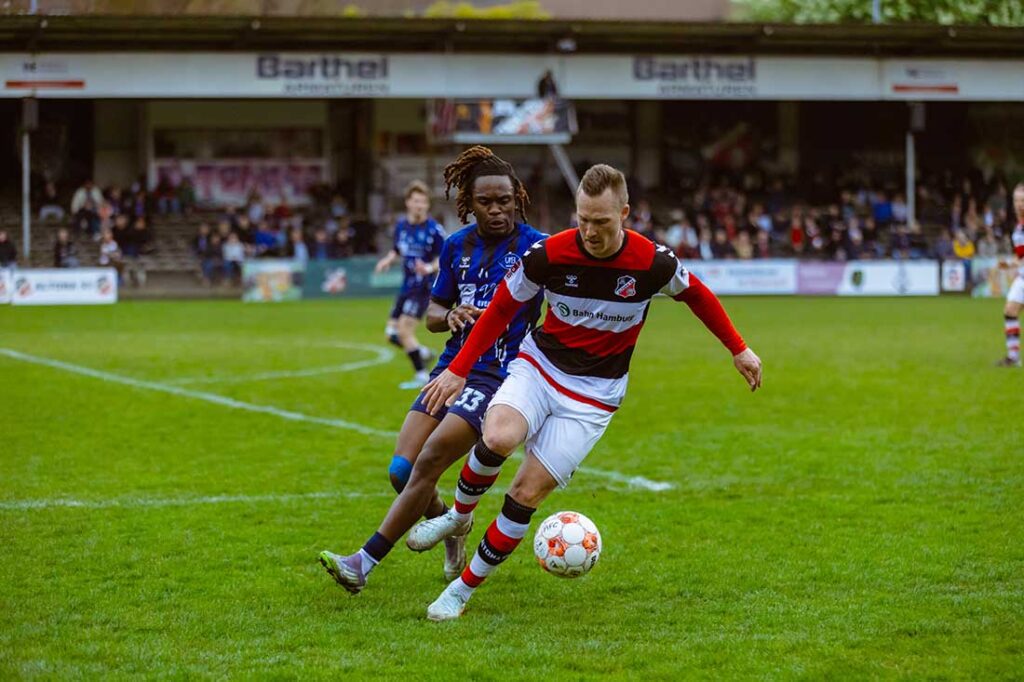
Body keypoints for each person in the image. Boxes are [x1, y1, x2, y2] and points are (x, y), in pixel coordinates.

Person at [412, 163, 762, 621]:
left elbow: (697, 295)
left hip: (594, 396)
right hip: (539, 367)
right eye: (582, 220)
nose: (590, 232)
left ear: (626, 214)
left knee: (526, 492)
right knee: (497, 436)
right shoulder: (548, 254)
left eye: (602, 222)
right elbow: (502, 306)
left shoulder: (653, 263)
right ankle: (459, 514)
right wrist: (459, 369)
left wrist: (739, 349)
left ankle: (462, 589)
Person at [318, 146, 546, 594]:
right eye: (487, 201)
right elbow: (433, 314)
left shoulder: (536, 247)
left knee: (429, 460)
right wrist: (453, 315)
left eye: (505, 200)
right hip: (450, 369)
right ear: (468, 203)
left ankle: (361, 563)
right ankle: (454, 527)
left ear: (517, 197)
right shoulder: (456, 246)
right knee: (402, 471)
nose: (498, 209)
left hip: (498, 376)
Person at [375, 181, 447, 389]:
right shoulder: (401, 226)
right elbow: (397, 249)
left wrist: (429, 268)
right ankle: (423, 353)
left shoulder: (434, 230)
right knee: (392, 335)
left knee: (405, 331)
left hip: (423, 287)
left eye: (423, 202)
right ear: (408, 203)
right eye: (416, 201)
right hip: (406, 286)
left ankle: (422, 375)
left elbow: (443, 258)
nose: (420, 205)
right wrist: (388, 260)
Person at [996, 183, 1024, 367]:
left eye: (1023, 200)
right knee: (1010, 310)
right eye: (1017, 200)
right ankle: (1013, 358)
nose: (1019, 204)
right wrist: (1011, 264)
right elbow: (1022, 255)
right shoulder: (1019, 226)